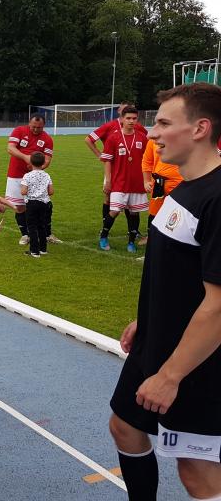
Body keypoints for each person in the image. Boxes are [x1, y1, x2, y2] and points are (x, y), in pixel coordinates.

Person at [108, 82, 221, 500]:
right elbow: (177, 275)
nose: (152, 133)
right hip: (156, 343)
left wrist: (171, 375)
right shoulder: (181, 191)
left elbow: (219, 307)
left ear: (200, 129)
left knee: (196, 471)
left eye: (163, 123)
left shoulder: (216, 198)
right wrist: (148, 319)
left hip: (195, 363)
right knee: (125, 425)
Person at [85, 103, 148, 239]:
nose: (131, 120)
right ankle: (105, 228)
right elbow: (89, 139)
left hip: (133, 171)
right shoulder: (110, 126)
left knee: (131, 204)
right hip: (113, 168)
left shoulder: (138, 128)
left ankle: (132, 231)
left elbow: (148, 144)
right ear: (120, 112)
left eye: (133, 117)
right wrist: (100, 155)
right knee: (109, 198)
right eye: (123, 109)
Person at [5, 113, 60, 246]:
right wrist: (25, 157)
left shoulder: (47, 139)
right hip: (16, 174)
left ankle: (47, 234)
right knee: (19, 207)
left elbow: (47, 160)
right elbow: (10, 148)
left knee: (43, 206)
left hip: (36, 177)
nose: (36, 129)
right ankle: (25, 234)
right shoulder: (19, 130)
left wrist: (37, 168)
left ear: (43, 125)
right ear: (29, 123)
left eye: (39, 127)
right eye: (33, 126)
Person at [138, 137, 183, 248]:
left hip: (180, 183)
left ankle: (177, 240)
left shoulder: (183, 138)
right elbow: (146, 161)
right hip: (159, 182)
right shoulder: (153, 141)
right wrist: (146, 180)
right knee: (154, 211)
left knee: (178, 212)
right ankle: (151, 237)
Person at [20, 151, 54, 258]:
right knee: (42, 226)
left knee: (32, 227)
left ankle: (34, 251)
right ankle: (43, 249)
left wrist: (26, 190)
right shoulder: (47, 175)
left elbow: (24, 191)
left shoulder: (27, 176)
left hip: (32, 203)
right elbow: (51, 191)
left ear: (30, 162)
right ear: (43, 162)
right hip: (44, 203)